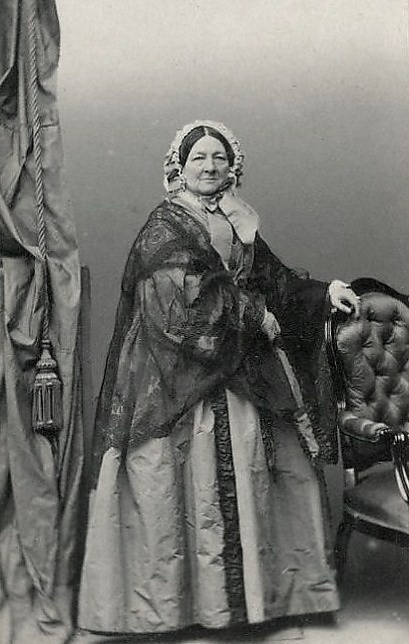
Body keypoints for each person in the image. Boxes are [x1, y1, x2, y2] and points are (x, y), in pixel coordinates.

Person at [77, 121, 360, 636]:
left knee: (266, 473)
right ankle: (181, 609)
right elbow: (173, 300)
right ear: (179, 168)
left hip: (244, 366)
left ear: (234, 166)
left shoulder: (238, 217)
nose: (210, 167)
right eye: (199, 158)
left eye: (219, 158)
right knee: (180, 482)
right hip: (182, 374)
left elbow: (274, 279)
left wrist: (326, 291)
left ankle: (260, 604)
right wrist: (251, 315)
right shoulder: (165, 225)